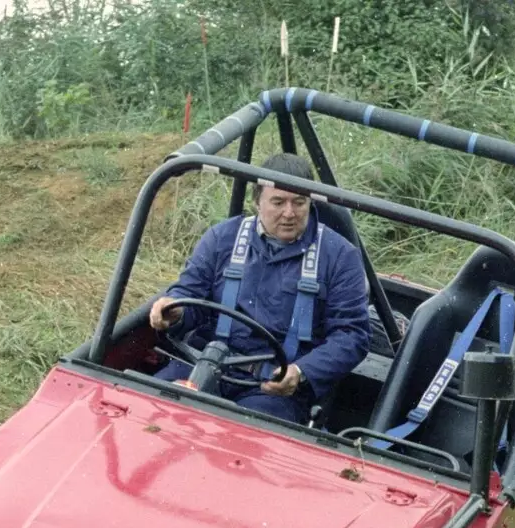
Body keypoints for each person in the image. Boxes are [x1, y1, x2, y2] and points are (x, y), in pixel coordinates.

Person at [149, 153, 370, 424]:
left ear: (311, 201)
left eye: (299, 202)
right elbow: (189, 293)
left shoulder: (339, 256)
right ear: (257, 202)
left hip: (274, 388)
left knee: (248, 445)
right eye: (278, 202)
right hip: (203, 362)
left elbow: (352, 336)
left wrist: (300, 372)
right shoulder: (222, 238)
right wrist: (176, 310)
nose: (289, 213)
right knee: (148, 412)